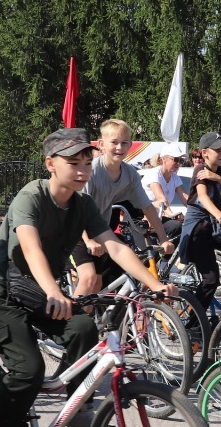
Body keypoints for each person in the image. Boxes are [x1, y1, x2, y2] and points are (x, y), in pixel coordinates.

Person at [0, 128, 176, 427]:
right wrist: (54, 291)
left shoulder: (82, 205)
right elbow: (30, 248)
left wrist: (153, 284)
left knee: (84, 328)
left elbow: (114, 247)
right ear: (50, 164)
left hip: (37, 289)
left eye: (86, 162)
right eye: (73, 163)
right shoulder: (32, 195)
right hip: (1, 288)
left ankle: (77, 409)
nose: (83, 170)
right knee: (29, 370)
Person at [75, 119, 175, 295]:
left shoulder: (130, 174)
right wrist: (88, 240)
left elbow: (147, 207)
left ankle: (89, 314)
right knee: (89, 278)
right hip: (76, 228)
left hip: (99, 229)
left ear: (130, 145)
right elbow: (78, 209)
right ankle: (70, 314)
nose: (119, 147)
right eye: (114, 142)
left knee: (98, 283)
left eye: (124, 143)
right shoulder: (92, 170)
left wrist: (163, 238)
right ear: (101, 144)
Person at [179, 131, 221, 309]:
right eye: (218, 150)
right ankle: (195, 321)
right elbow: (203, 196)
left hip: (215, 228)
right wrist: (218, 214)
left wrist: (218, 178)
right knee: (211, 280)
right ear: (205, 153)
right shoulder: (200, 169)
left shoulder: (220, 171)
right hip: (198, 229)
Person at [145, 152, 191, 220]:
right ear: (164, 159)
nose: (179, 163)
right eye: (176, 159)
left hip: (159, 217)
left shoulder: (175, 177)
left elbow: (186, 198)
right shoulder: (153, 174)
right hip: (143, 217)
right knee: (175, 225)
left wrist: (200, 209)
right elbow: (161, 199)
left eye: (181, 160)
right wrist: (171, 214)